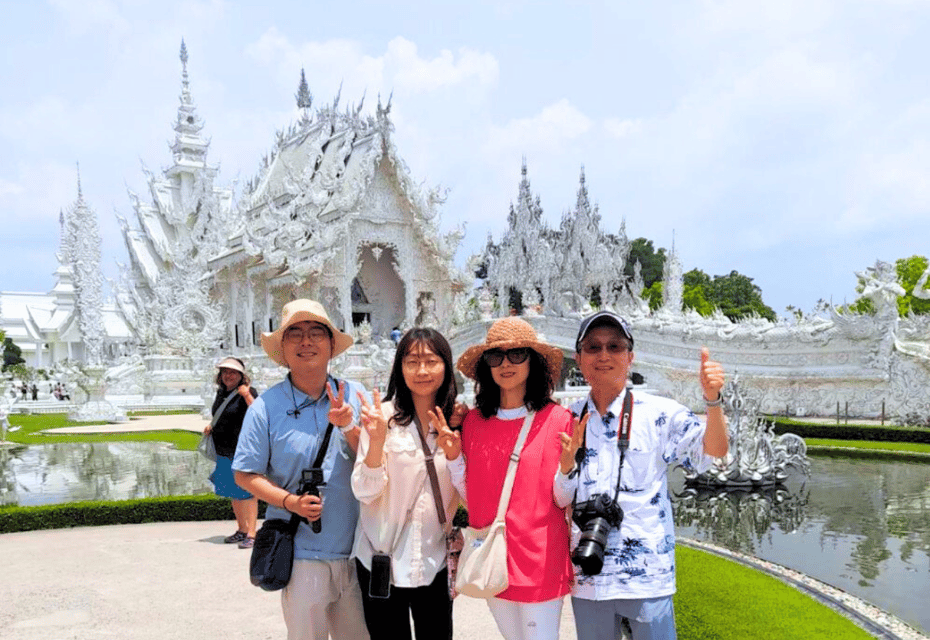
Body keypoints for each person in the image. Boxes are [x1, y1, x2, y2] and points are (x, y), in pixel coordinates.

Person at [557, 311, 728, 640]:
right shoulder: (565, 418)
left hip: (648, 573)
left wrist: (713, 400)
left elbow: (713, 452)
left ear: (630, 357)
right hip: (588, 572)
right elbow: (556, 492)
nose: (604, 355)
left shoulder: (660, 412)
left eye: (614, 346)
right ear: (578, 359)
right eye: (592, 347)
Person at [233, 299, 370, 640]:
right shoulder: (266, 406)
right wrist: (289, 502)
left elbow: (376, 460)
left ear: (330, 345)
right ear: (283, 346)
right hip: (301, 553)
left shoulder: (357, 395)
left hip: (359, 549)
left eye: (315, 333)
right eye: (295, 333)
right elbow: (245, 474)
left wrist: (349, 426)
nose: (306, 342)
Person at [441, 316, 578, 640]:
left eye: (517, 354)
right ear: (486, 365)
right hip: (494, 555)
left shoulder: (557, 419)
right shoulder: (473, 422)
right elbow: (470, 495)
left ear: (533, 361)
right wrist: (453, 457)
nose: (506, 364)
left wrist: (567, 466)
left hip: (540, 559)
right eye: (496, 356)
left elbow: (562, 499)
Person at [351, 327, 464, 640]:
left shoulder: (459, 421)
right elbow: (364, 490)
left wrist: (455, 454)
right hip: (381, 560)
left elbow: (473, 495)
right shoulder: (382, 417)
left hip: (434, 559)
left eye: (431, 360)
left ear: (446, 365)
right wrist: (375, 442)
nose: (422, 370)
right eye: (412, 361)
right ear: (399, 367)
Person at [203, 356, 258, 548]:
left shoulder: (247, 392)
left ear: (241, 375)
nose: (228, 375)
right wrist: (212, 425)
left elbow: (259, 413)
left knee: (247, 491)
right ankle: (242, 529)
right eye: (225, 372)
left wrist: (246, 395)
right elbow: (222, 414)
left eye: (233, 372)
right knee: (233, 491)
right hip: (223, 449)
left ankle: (252, 534)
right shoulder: (222, 392)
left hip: (241, 450)